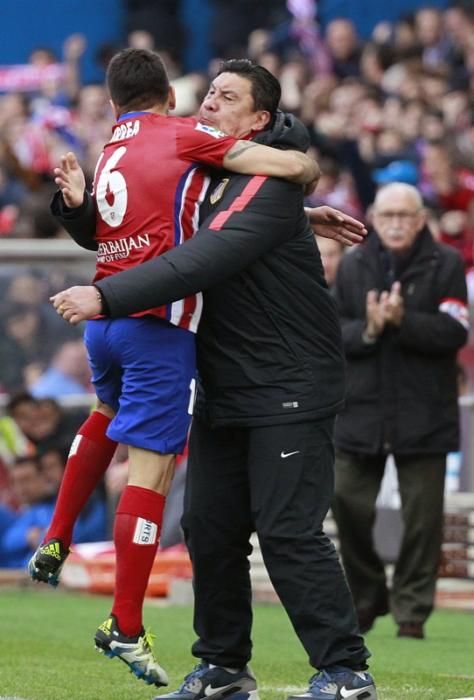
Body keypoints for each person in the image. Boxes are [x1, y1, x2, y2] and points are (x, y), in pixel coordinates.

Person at [50, 60, 376, 700]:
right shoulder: (213, 172)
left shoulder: (266, 184)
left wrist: (106, 299)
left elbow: (202, 256)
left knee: (287, 529)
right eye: (208, 95)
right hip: (225, 383)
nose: (207, 106)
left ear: (258, 122)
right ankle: (223, 669)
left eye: (226, 99)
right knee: (210, 526)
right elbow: (141, 229)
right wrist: (77, 209)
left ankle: (345, 669)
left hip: (289, 382)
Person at [330, 182, 468, 639]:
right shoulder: (353, 265)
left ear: (420, 218)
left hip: (424, 413)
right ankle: (368, 596)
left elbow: (455, 330)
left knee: (423, 520)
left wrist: (403, 322)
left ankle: (411, 610)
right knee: (346, 502)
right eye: (387, 215)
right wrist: (370, 329)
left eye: (404, 215)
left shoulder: (445, 263)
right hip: (361, 412)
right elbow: (333, 334)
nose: (395, 224)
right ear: (372, 216)